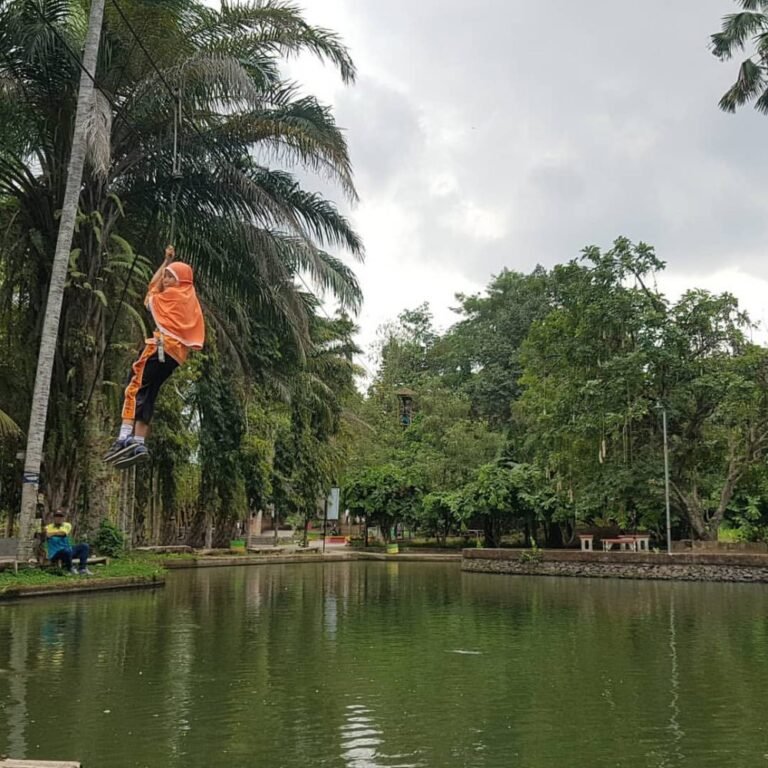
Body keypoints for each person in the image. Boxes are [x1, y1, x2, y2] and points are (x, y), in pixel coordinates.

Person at [105, 245, 205, 469]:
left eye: (171, 276)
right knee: (149, 393)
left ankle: (122, 438)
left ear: (180, 280)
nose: (167, 280)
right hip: (175, 357)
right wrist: (169, 263)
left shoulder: (168, 296)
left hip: (159, 348)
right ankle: (139, 441)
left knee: (134, 387)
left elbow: (150, 293)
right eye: (166, 276)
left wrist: (164, 263)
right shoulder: (191, 300)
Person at [44, 508, 92, 575]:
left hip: (68, 551)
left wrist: (53, 533)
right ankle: (70, 568)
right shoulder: (48, 527)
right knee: (66, 550)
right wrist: (56, 533)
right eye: (57, 516)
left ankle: (82, 568)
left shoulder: (67, 525)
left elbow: (63, 533)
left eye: (60, 516)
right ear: (54, 518)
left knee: (84, 546)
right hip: (55, 553)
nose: (59, 518)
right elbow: (47, 535)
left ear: (63, 518)